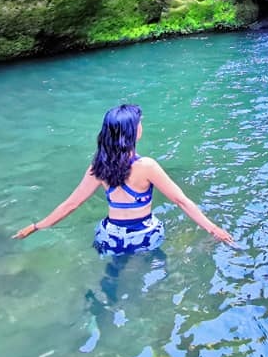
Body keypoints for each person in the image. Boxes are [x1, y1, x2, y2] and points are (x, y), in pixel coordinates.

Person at [12, 103, 233, 254]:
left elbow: (71, 204)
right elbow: (181, 201)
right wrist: (214, 229)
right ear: (133, 132)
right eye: (139, 123)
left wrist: (36, 226)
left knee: (112, 279)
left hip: (110, 236)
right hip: (143, 235)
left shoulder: (98, 166)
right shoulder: (147, 166)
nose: (141, 127)